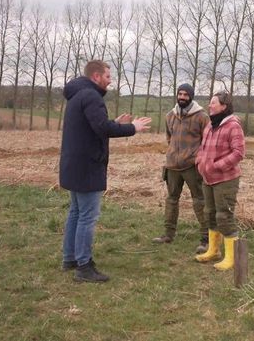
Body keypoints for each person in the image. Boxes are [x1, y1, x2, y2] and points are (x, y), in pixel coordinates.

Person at [59, 60, 151, 283]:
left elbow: (95, 126)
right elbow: (101, 128)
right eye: (108, 76)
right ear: (96, 76)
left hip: (74, 166)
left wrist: (114, 122)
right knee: (87, 216)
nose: (111, 80)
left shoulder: (78, 95)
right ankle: (84, 266)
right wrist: (132, 128)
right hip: (88, 166)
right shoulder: (91, 96)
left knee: (76, 213)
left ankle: (70, 258)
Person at [152, 83, 210, 254]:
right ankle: (168, 235)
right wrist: (173, 155)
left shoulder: (202, 117)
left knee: (200, 201)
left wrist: (197, 158)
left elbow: (207, 142)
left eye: (186, 94)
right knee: (171, 200)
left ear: (191, 96)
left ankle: (206, 239)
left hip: (192, 167)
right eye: (180, 94)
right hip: (172, 166)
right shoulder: (170, 116)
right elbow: (169, 138)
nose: (182, 97)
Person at [194, 92, 245, 271]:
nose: (210, 105)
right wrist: (200, 160)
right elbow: (202, 147)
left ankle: (232, 258)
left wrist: (217, 166)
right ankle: (213, 251)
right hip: (208, 179)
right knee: (210, 214)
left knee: (224, 216)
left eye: (213, 103)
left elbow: (238, 152)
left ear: (224, 106)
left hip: (225, 179)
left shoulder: (233, 126)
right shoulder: (210, 125)